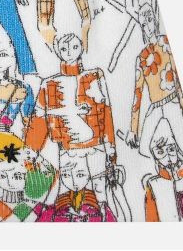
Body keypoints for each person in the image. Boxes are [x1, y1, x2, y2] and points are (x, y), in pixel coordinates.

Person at [25, 32, 117, 183]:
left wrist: (110, 146)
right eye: (64, 49)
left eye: (74, 47)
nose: (69, 52)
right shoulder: (49, 84)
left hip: (97, 146)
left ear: (81, 47)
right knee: (70, 188)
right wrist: (31, 151)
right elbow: (39, 119)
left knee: (100, 189)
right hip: (67, 148)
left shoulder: (94, 77)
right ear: (57, 51)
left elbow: (106, 113)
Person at [124, 2, 183, 167]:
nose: (148, 26)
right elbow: (137, 94)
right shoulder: (141, 57)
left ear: (155, 19)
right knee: (144, 148)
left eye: (150, 19)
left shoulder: (166, 43)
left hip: (172, 102)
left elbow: (177, 77)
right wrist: (133, 129)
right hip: (155, 107)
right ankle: (164, 174)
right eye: (143, 23)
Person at [35, 155, 115, 222]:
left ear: (90, 174)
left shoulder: (101, 209)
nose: (74, 182)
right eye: (65, 175)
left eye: (80, 175)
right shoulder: (55, 208)